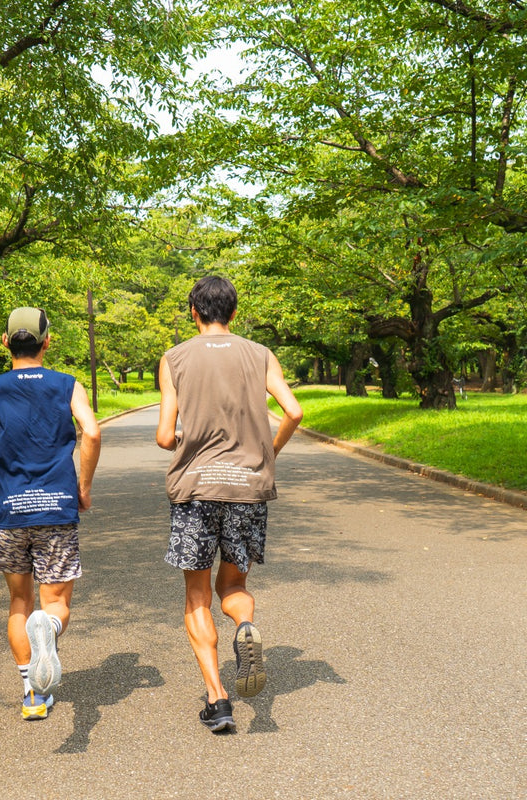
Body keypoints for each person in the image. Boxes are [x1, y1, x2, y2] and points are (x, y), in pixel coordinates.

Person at [156, 276, 303, 733]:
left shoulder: (175, 358)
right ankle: (244, 627)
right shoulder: (259, 354)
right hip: (247, 487)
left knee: (196, 596)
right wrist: (267, 453)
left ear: (193, 312)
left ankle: (218, 699)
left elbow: (164, 436)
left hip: (197, 489)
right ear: (234, 314)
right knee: (233, 586)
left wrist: (183, 437)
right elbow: (294, 411)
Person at [0, 307, 101, 721]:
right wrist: (82, 487)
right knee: (54, 605)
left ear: (5, 342)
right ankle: (48, 631)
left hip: (10, 511)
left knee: (19, 601)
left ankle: (32, 695)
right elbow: (91, 431)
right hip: (56, 510)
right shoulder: (68, 386)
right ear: (47, 342)